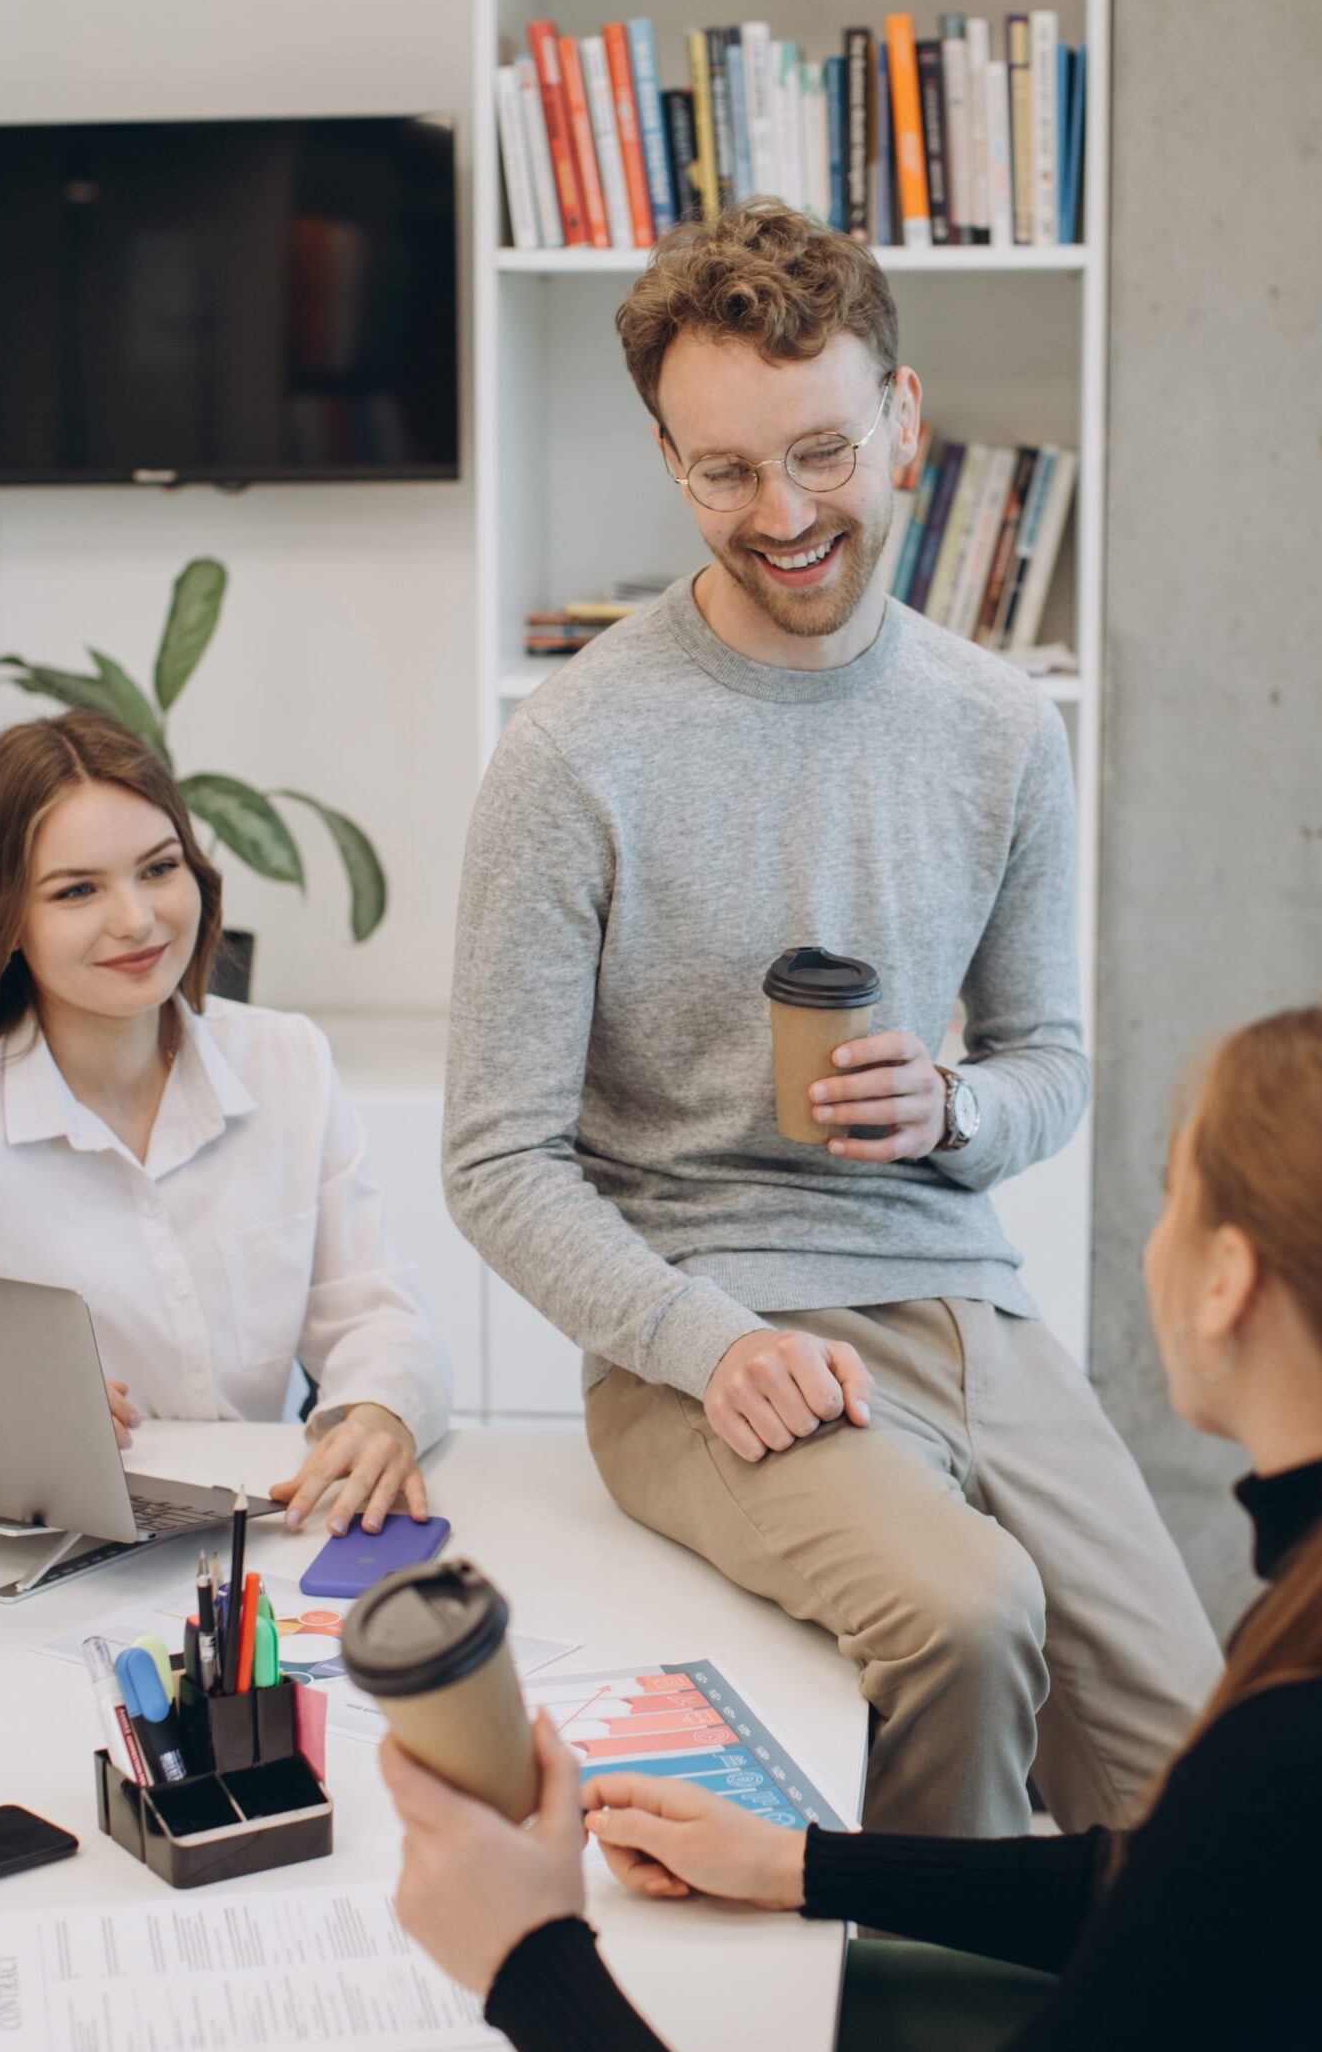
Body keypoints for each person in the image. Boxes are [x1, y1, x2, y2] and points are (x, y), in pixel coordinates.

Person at [388, 1001, 1322, 2052]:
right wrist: (806, 1864)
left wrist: (529, 1956)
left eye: (1170, 1197)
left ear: (1227, 1281)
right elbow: (1172, 1892)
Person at [444, 199, 1218, 1837]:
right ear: (668, 458)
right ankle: (925, 2046)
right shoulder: (574, 752)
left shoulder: (1000, 728)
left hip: (957, 1301)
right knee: (968, 1618)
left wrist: (953, 1117)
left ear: (902, 422)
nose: (781, 514)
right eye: (724, 470)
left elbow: (1048, 1063)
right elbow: (496, 1161)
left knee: (1191, 1774)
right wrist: (699, 1345)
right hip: (701, 1330)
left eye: (819, 454)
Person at [0, 712, 449, 1531]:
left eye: (158, 869)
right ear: (8, 917)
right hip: (37, 1563)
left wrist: (377, 1413)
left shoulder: (286, 1061)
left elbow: (373, 1310)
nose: (137, 919)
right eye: (77, 890)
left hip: (261, 1539)